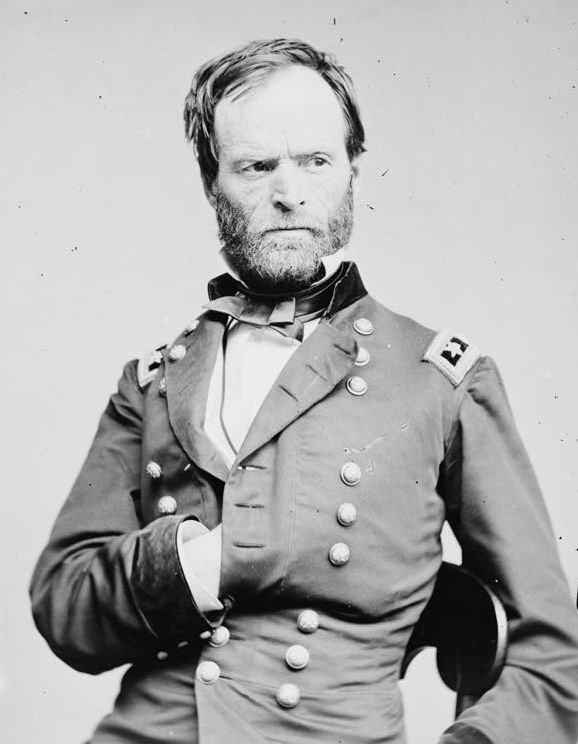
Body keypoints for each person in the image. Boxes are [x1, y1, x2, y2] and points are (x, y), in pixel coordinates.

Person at [30, 38, 578, 744]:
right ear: (211, 184)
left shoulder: (442, 381)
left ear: (353, 171)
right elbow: (64, 604)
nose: (288, 192)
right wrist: (198, 564)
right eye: (256, 166)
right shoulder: (157, 379)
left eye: (315, 160)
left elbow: (552, 655)